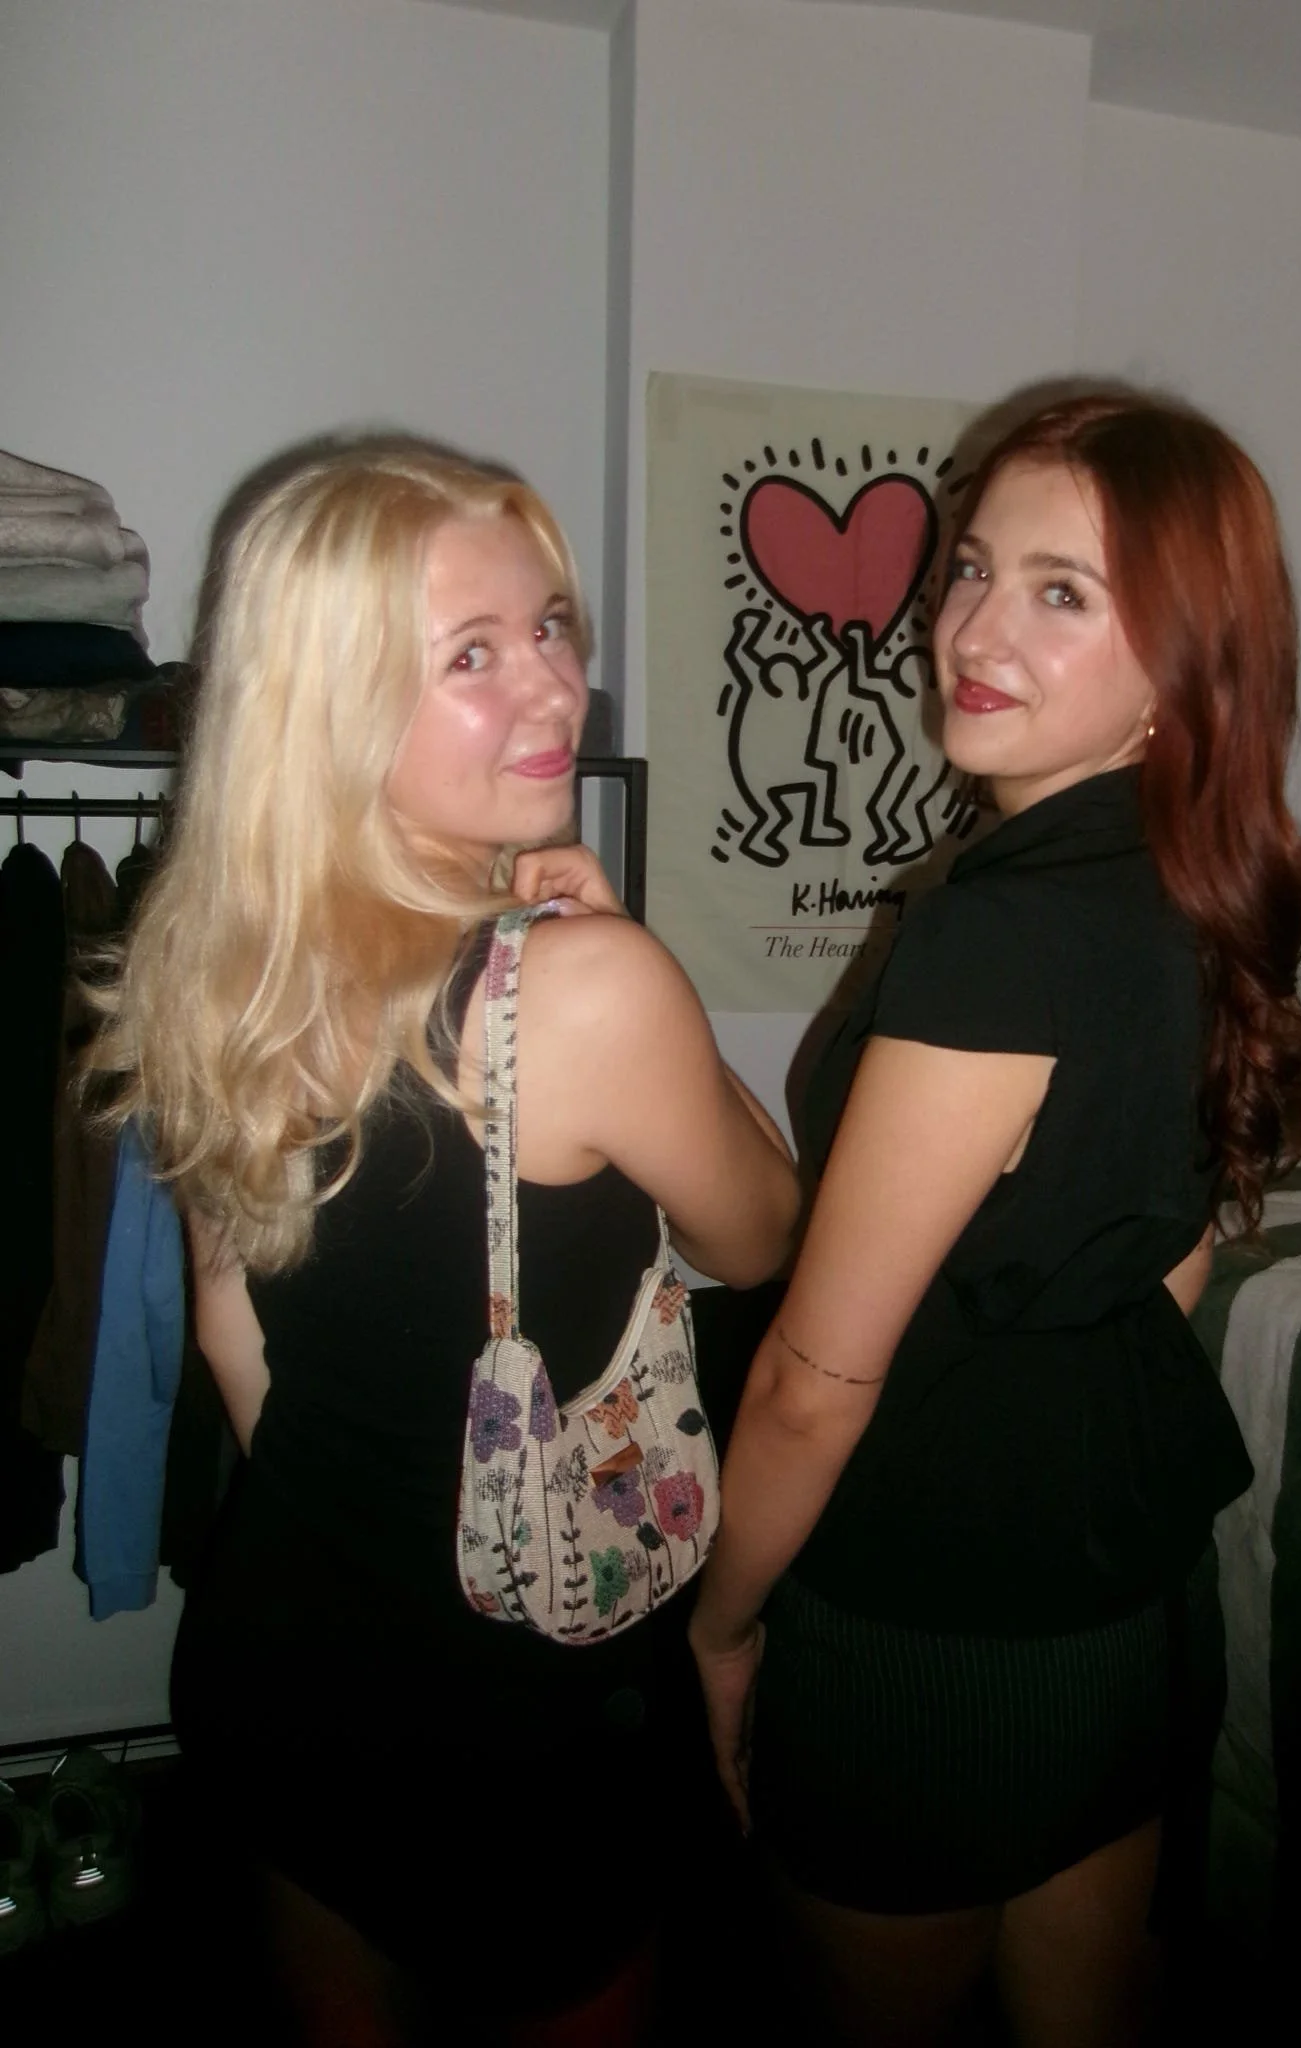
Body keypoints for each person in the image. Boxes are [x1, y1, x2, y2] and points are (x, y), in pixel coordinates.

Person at [85, 438, 800, 2045]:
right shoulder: (586, 990)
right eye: (470, 655)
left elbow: (236, 1343)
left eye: (548, 627)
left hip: (283, 1658)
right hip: (520, 1723)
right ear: (328, 706)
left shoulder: (217, 965)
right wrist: (619, 949)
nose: (552, 685)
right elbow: (767, 1236)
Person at [684, 390, 1301, 2046]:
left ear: (1186, 661)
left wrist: (721, 1623)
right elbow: (1171, 1257)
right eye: (972, 570)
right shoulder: (1200, 886)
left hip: (925, 1621)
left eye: (1062, 593)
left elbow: (812, 1384)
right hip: (1121, 1588)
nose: (973, 631)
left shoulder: (1007, 929)